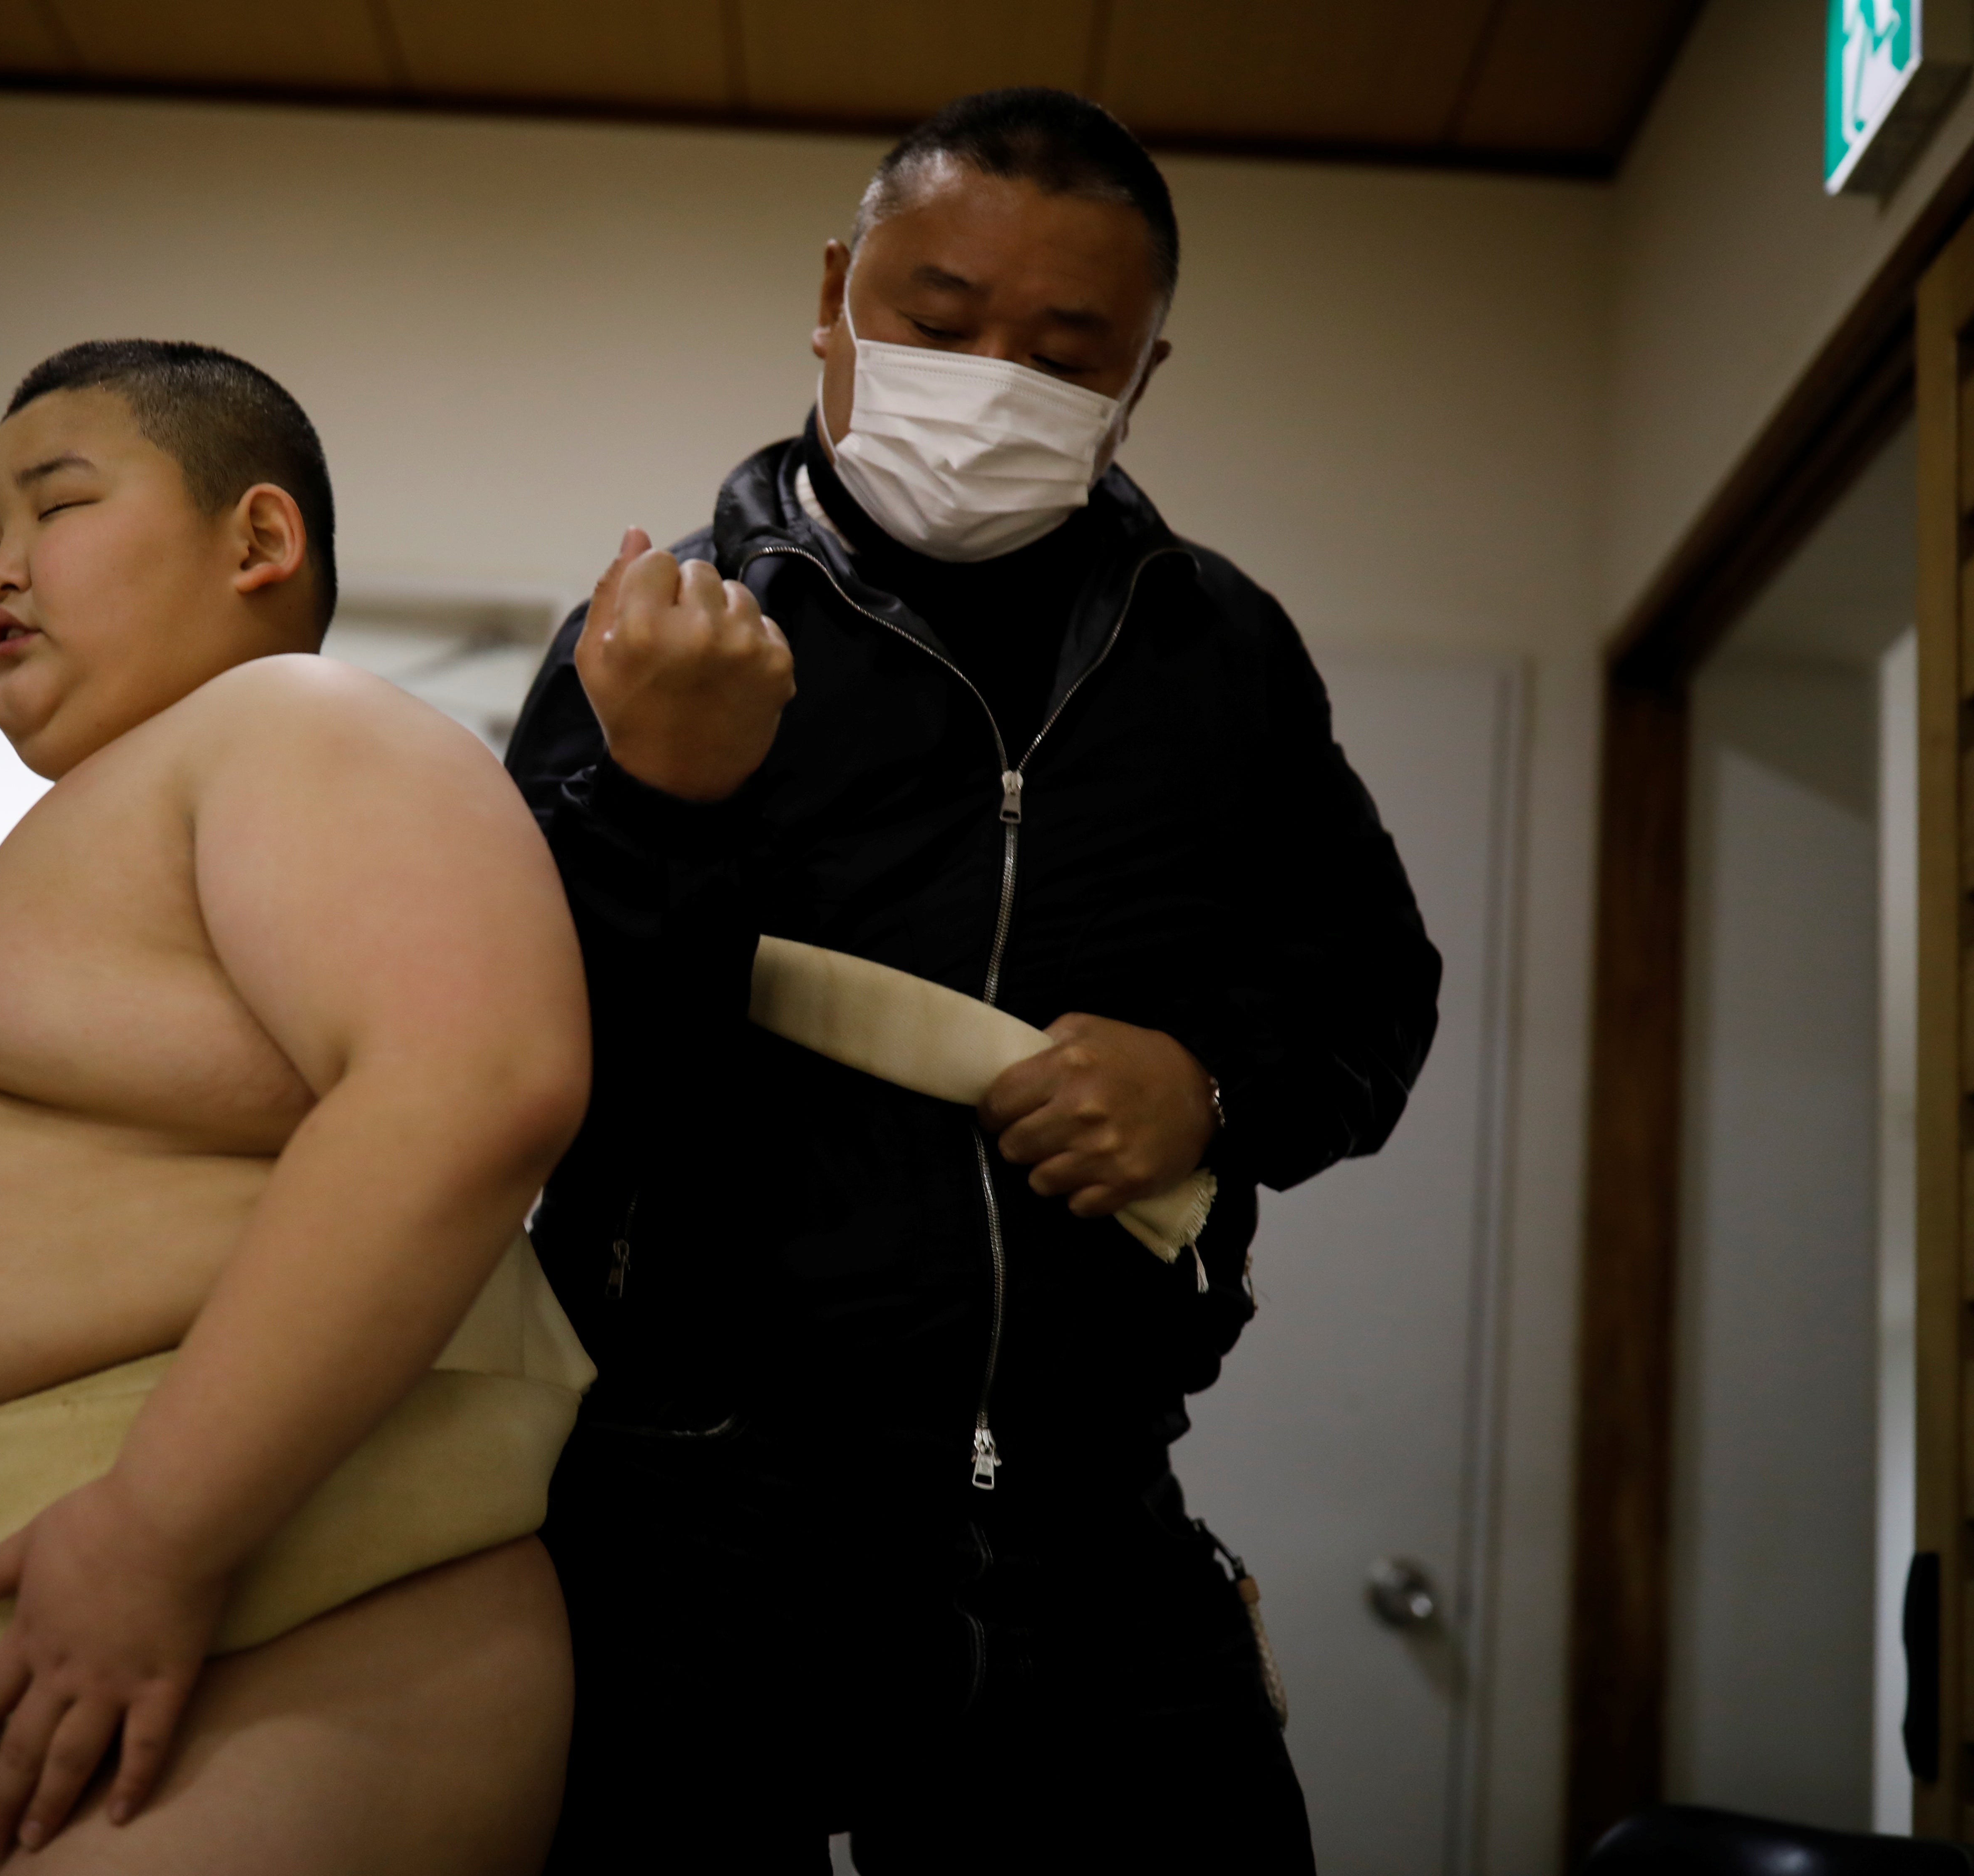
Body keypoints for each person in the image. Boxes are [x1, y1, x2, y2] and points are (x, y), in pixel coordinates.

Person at [507, 89, 1441, 1872]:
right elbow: (521, 1075)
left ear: (1141, 378)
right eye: (938, 322)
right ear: (840, 290)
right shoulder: (664, 637)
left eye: (1063, 348)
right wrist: (662, 802)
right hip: (691, 1521)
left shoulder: (1218, 648)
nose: (990, 377)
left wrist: (1217, 1084)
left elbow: (1372, 988)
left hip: (1088, 1520)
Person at [0, 339, 596, 1874]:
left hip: (303, 1631)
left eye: (57, 507)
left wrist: (156, 1530)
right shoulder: (141, 805)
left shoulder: (304, 724)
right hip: (114, 1627)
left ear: (257, 540)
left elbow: (477, 1090)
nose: (1, 571)